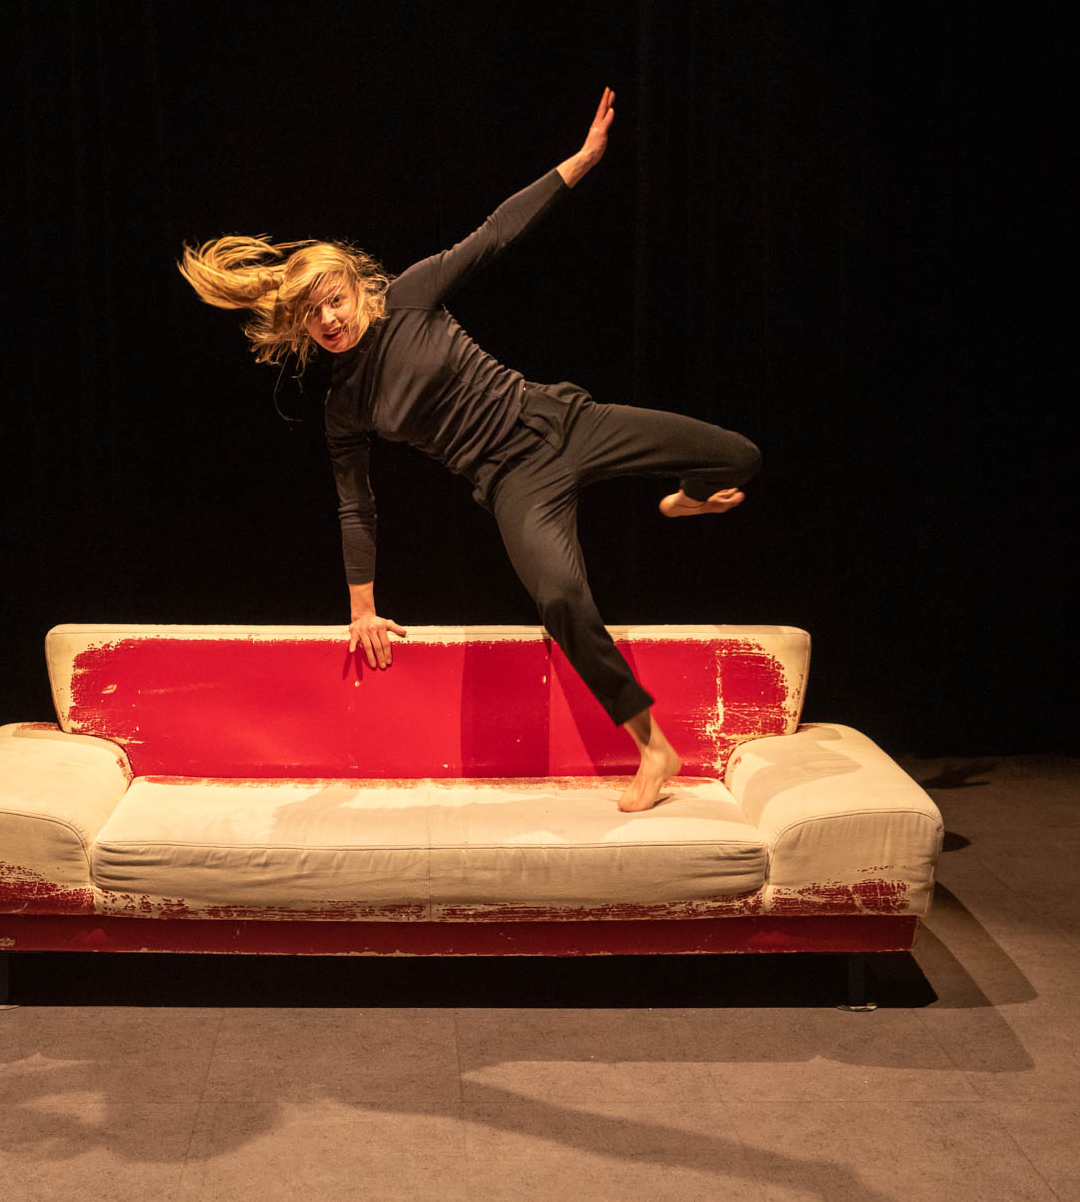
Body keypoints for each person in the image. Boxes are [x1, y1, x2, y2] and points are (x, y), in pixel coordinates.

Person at [177, 87, 760, 811]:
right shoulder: (344, 408)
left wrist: (580, 162)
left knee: (739, 457)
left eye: (335, 299)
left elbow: (496, 233)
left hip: (559, 420)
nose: (328, 319)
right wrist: (362, 609)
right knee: (560, 597)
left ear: (357, 287)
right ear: (298, 325)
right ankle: (652, 747)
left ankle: (688, 499)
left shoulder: (413, 294)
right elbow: (356, 506)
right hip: (513, 481)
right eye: (311, 313)